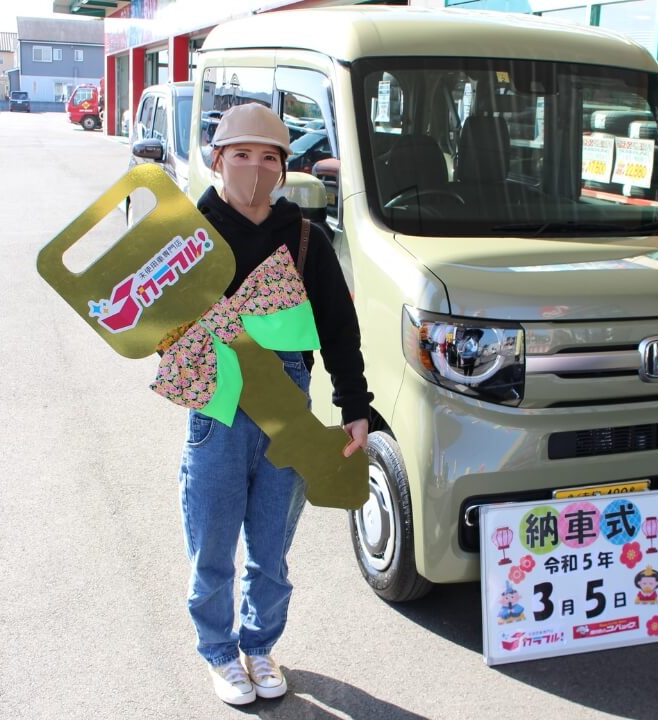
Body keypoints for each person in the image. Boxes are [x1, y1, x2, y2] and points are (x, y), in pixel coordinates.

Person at [158, 103, 372, 706]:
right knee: (212, 546)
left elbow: (339, 328)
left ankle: (259, 646)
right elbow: (153, 323)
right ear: (217, 160)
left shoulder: (306, 239)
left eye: (268, 157)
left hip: (289, 411)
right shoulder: (186, 237)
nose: (254, 168)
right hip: (217, 412)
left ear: (283, 167)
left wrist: (354, 405)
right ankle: (219, 652)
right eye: (241, 155)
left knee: (272, 549)